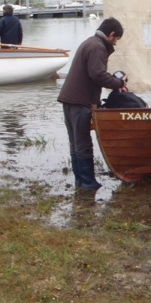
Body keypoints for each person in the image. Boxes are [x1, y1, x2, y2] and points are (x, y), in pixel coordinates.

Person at [57, 17, 128, 190]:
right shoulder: (98, 47)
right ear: (111, 34)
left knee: (75, 143)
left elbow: (95, 73)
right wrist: (119, 83)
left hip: (69, 98)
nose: (116, 43)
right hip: (80, 101)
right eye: (116, 39)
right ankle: (88, 182)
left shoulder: (89, 42)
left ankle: (80, 181)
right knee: (83, 144)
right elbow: (97, 74)